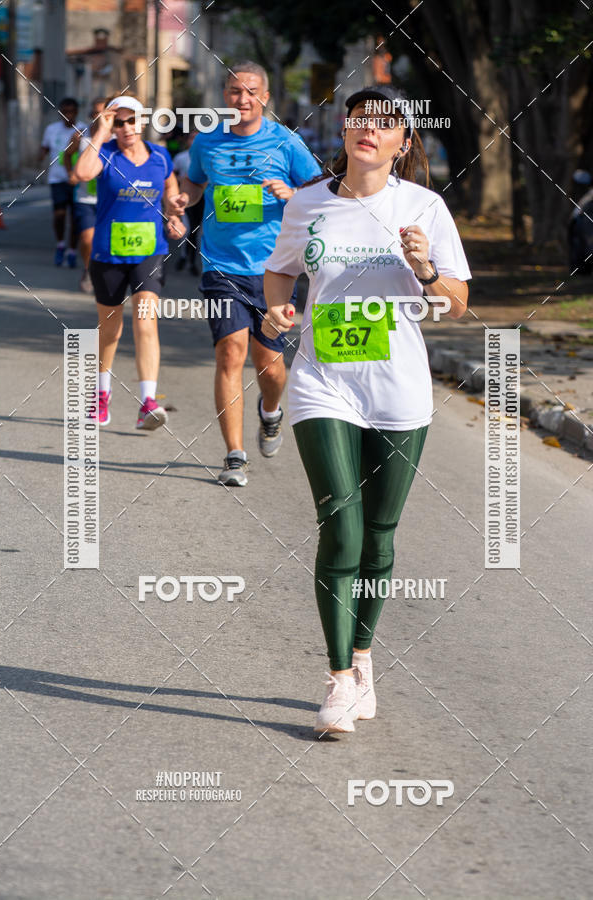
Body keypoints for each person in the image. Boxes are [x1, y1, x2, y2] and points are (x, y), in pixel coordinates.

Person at [261, 85, 471, 735]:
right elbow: (281, 271)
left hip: (398, 389)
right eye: (358, 120)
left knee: (380, 535)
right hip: (323, 383)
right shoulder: (307, 204)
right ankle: (338, 679)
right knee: (342, 528)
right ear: (345, 132)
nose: (368, 130)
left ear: (403, 143)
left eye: (383, 124)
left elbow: (456, 304)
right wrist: (276, 308)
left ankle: (363, 655)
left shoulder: (424, 206)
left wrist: (425, 269)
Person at [167, 61, 321, 486]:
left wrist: (292, 194)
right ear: (225, 96)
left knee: (269, 366)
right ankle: (234, 456)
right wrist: (183, 199)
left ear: (265, 97)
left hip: (276, 269)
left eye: (251, 91)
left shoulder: (286, 142)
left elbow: (321, 191)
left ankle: (270, 412)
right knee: (230, 353)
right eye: (235, 91)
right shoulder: (207, 141)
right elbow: (195, 183)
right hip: (221, 265)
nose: (243, 99)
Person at [74, 92, 185, 429]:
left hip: (149, 252)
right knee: (110, 330)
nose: (126, 128)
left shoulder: (160, 156)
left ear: (142, 121)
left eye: (132, 120)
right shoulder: (105, 153)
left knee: (145, 322)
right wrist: (101, 130)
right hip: (108, 254)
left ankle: (148, 403)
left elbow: (170, 190)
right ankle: (101, 394)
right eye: (118, 122)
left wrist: (174, 214)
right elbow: (82, 173)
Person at [39, 98, 87, 267]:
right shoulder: (51, 129)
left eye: (71, 112)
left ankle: (72, 251)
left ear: (77, 112)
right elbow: (44, 147)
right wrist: (41, 155)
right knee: (59, 214)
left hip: (77, 180)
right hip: (57, 178)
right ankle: (60, 244)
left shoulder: (83, 130)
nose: (68, 115)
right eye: (64, 112)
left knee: (75, 218)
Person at [65, 98, 105, 293]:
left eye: (103, 113)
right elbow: (66, 155)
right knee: (88, 238)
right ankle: (89, 269)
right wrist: (71, 173)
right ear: (91, 115)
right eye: (96, 113)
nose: (99, 117)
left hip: (109, 199)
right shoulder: (81, 136)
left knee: (105, 240)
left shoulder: (117, 139)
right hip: (85, 198)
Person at [172, 130, 203, 275]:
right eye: (192, 138)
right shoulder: (181, 157)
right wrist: (183, 181)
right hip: (186, 199)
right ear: (187, 140)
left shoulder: (207, 157)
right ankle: (184, 257)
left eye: (197, 138)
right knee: (187, 229)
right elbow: (172, 176)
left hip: (203, 200)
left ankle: (193, 261)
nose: (194, 141)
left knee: (198, 231)